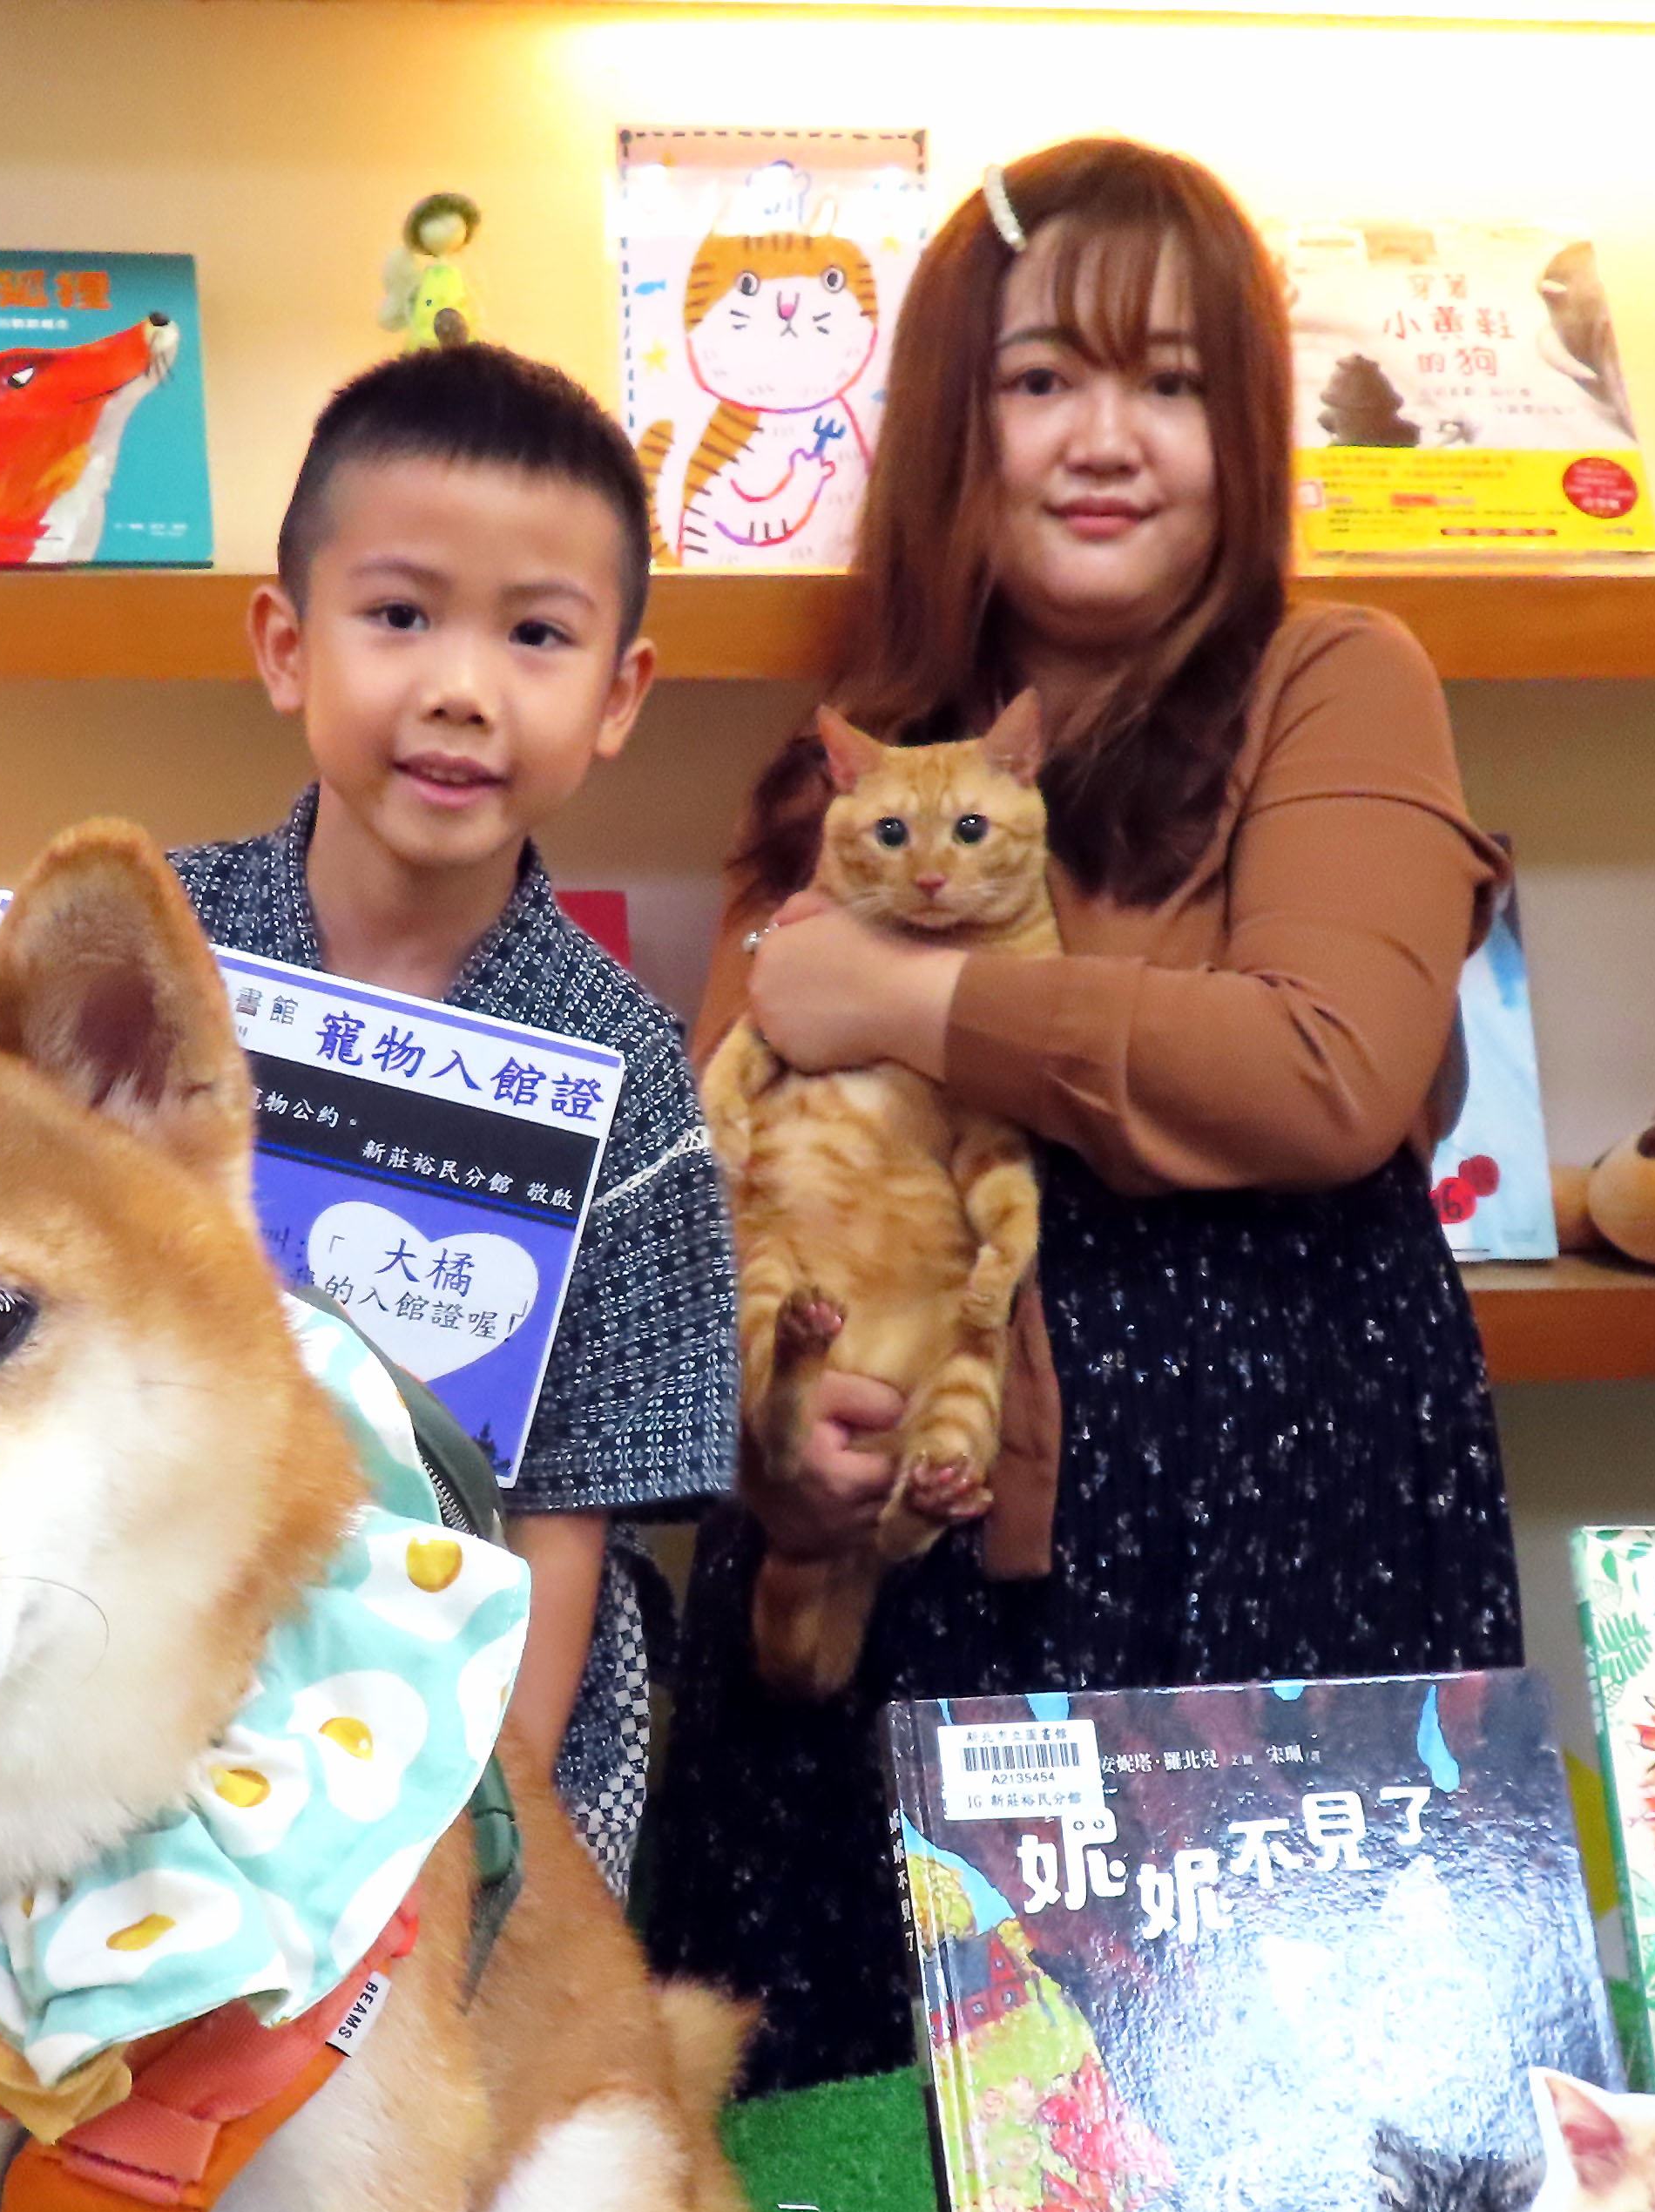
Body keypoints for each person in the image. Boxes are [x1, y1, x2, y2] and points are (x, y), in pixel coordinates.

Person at [645, 139, 1520, 2089]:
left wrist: (917, 999)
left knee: (1280, 2168)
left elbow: (1327, 1067)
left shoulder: (1332, 677)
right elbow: (724, 1193)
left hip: (1273, 1534)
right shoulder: (854, 752)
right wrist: (781, 1441)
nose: (1105, 439)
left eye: (1174, 383)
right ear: (957, 423)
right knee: (848, 2200)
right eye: (1043, 380)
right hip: (904, 1568)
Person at [166, 341, 740, 1898]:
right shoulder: (154, 952)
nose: (460, 688)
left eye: (536, 633)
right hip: (154, 1609)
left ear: (619, 694)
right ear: (287, 645)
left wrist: (498, 1820)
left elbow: (572, 1506)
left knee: (464, 2097)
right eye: (400, 615)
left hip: (470, 1682)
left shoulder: (616, 1063)